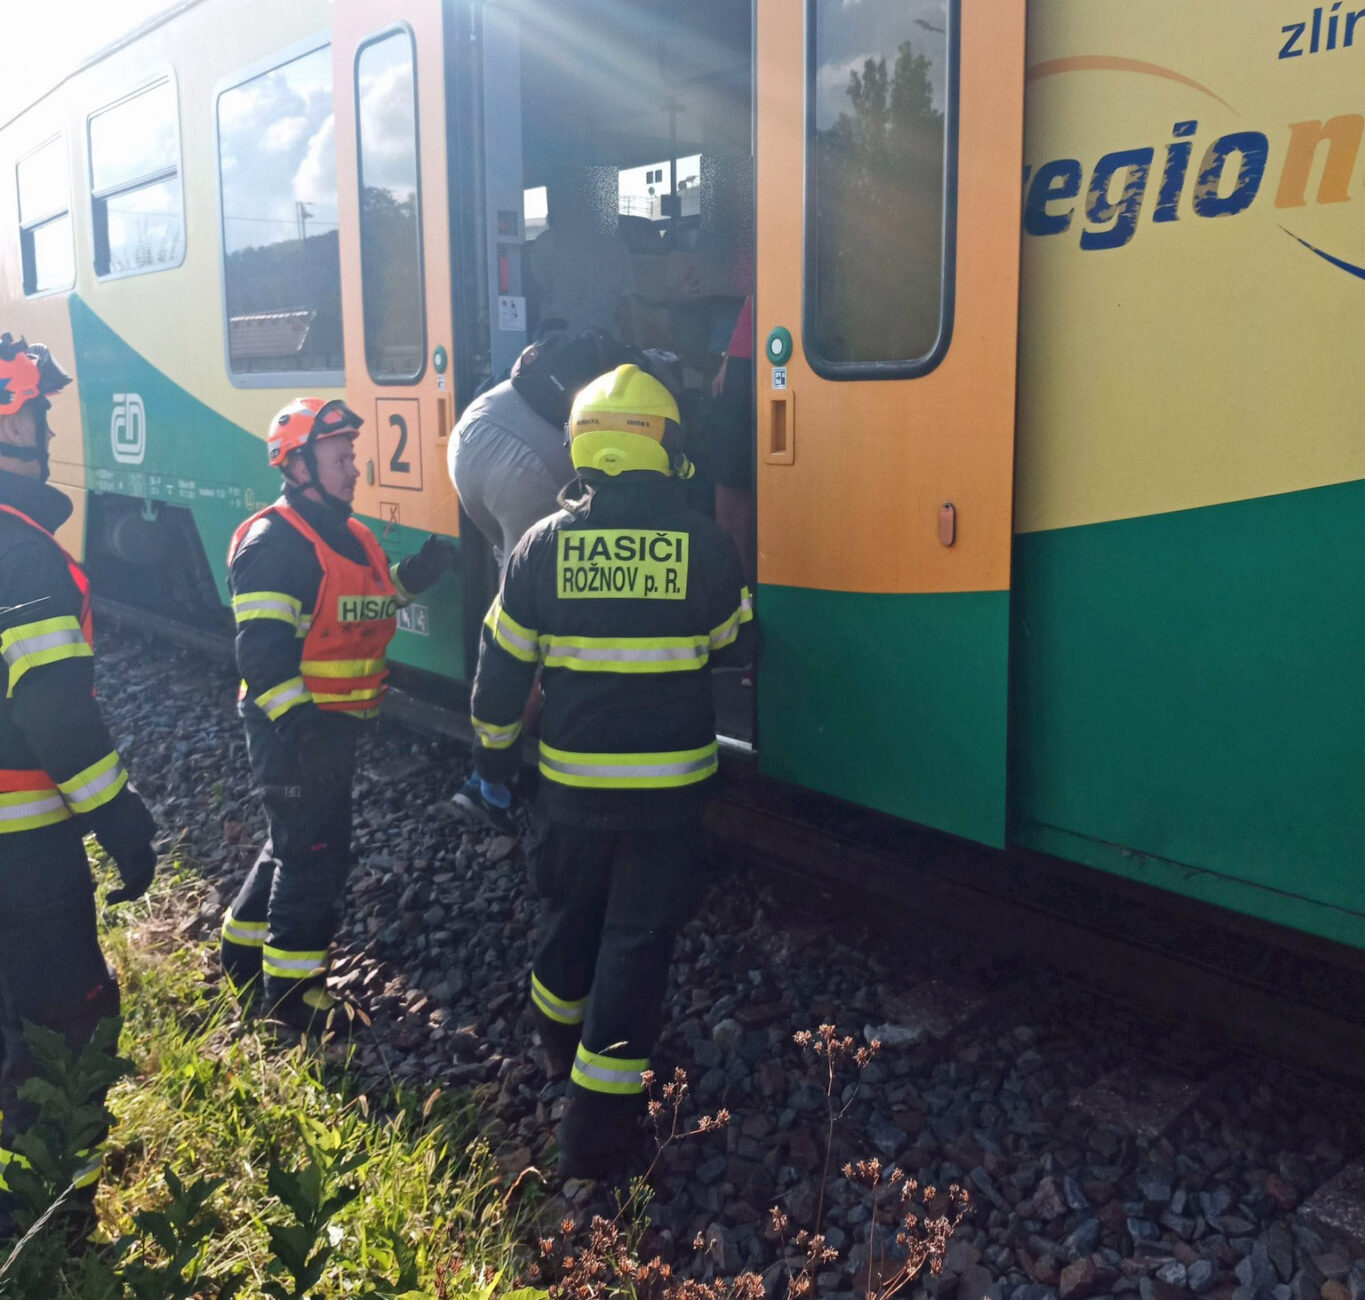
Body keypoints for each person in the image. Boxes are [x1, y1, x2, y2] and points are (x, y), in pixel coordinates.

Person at [463, 363, 754, 1179]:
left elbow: (500, 669)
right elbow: (734, 647)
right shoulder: (703, 544)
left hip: (571, 794)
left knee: (567, 917)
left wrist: (493, 759)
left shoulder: (538, 548)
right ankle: (595, 1135)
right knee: (635, 943)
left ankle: (558, 1045)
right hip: (668, 800)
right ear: (665, 448)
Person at [220, 398, 455, 1032]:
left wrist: (422, 573)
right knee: (314, 850)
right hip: (291, 726)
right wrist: (300, 730)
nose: (355, 469)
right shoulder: (273, 545)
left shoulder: (353, 536)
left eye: (353, 456)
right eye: (340, 458)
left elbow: (373, 599)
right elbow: (262, 657)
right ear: (298, 465)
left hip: (330, 725)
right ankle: (295, 998)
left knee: (292, 838)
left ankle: (241, 949)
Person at [0, 334, 158, 1231]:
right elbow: (55, 716)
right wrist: (121, 818)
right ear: (9, 420)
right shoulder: (24, 555)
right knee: (68, 1030)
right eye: (39, 408)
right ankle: (52, 1228)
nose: (52, 423)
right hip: (24, 856)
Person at [448, 329, 625, 575]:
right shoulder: (620, 384)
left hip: (468, 437)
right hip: (525, 465)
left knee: (510, 554)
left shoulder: (548, 363)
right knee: (529, 568)